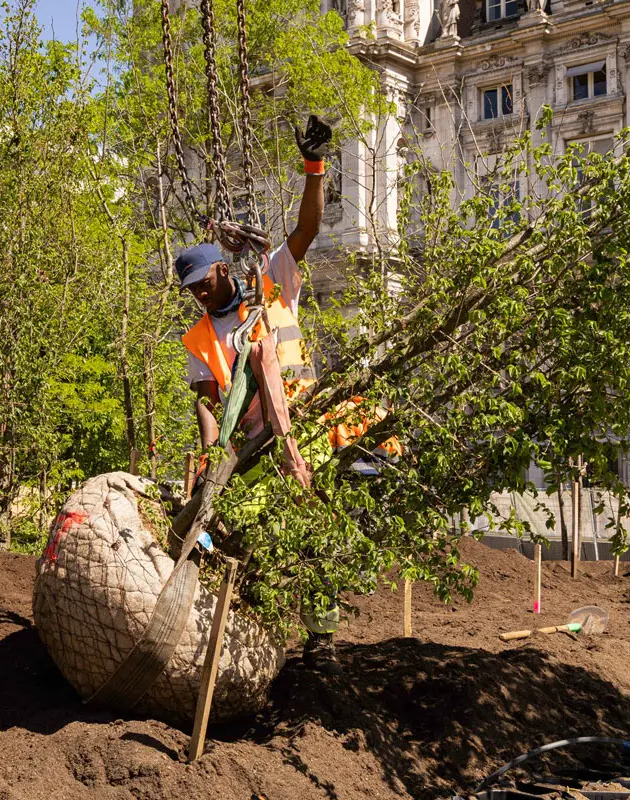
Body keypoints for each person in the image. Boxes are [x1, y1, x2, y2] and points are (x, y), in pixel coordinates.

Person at [177, 115, 346, 673]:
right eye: (192, 291)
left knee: (316, 528)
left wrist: (313, 168)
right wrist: (210, 453)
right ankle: (263, 640)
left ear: (223, 269)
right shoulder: (201, 336)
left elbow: (308, 227)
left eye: (205, 283)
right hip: (250, 446)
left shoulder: (270, 281)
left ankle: (321, 637)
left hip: (303, 423)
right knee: (255, 538)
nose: (200, 295)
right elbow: (206, 400)